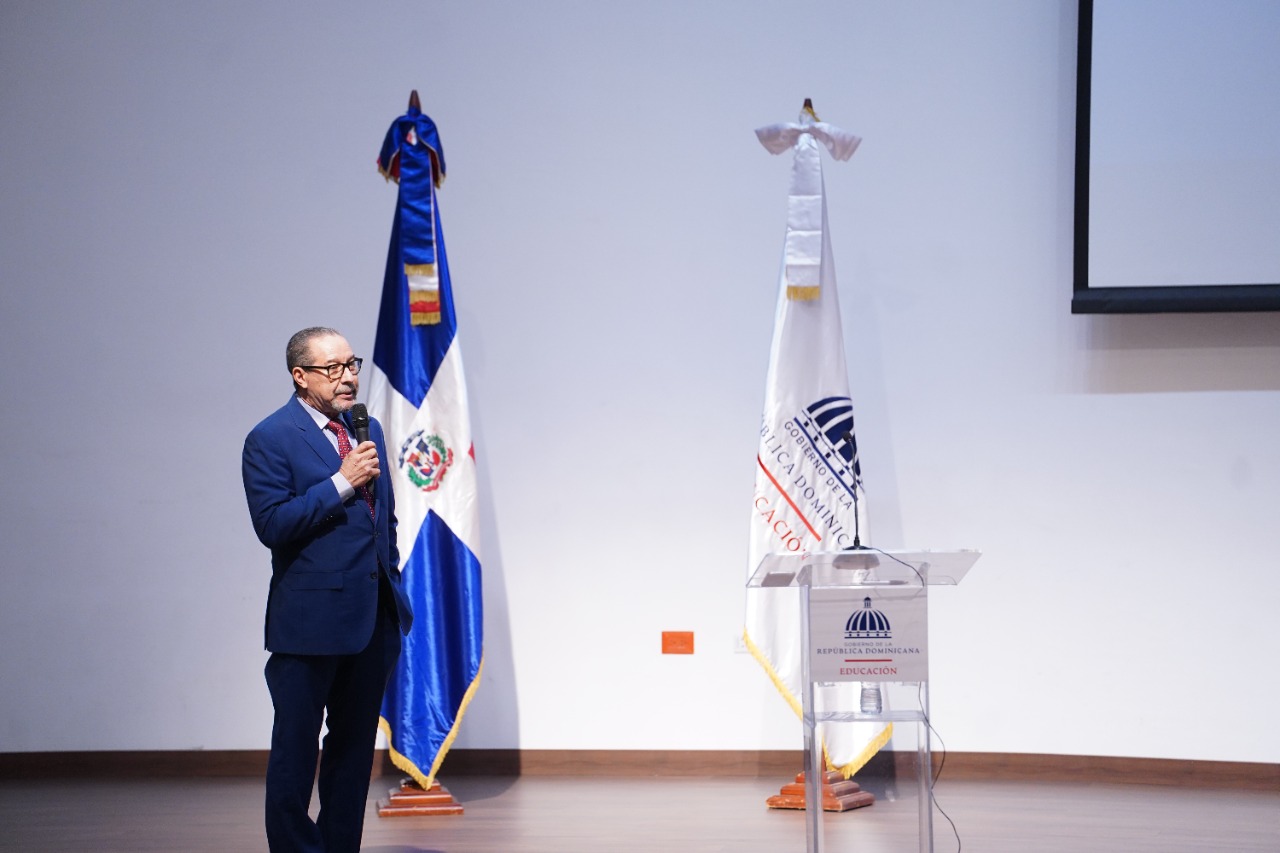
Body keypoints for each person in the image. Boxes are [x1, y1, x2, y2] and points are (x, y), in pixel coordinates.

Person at [242, 326, 413, 852]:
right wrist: (340, 482)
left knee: (353, 750)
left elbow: (382, 519)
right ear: (300, 376)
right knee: (295, 751)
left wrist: (393, 580)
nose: (347, 378)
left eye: (351, 365)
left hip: (372, 620)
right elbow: (272, 524)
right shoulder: (270, 438)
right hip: (308, 624)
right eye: (332, 368)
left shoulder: (368, 428)